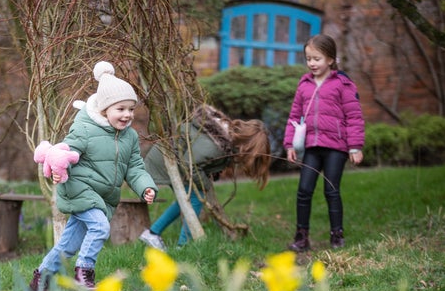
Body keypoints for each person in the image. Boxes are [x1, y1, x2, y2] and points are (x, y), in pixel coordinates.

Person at [29, 61, 157, 291]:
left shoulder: (129, 137)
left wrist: (145, 186)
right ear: (104, 109)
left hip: (102, 196)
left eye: (131, 109)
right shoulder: (86, 129)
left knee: (67, 246)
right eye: (120, 109)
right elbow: (67, 150)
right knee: (99, 227)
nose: (127, 114)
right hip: (80, 189)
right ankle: (83, 272)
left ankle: (40, 282)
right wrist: (59, 166)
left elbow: (135, 167)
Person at [139, 105, 271, 250]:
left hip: (171, 159)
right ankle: (183, 245)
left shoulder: (223, 138)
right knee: (195, 198)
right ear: (245, 147)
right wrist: (205, 183)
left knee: (186, 201)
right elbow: (189, 163)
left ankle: (153, 233)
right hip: (168, 161)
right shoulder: (215, 145)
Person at [284, 34, 364, 251]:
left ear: (330, 59)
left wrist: (355, 147)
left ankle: (337, 235)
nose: (311, 63)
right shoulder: (304, 84)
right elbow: (294, 115)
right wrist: (290, 144)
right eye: (308, 59)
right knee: (304, 190)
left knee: (331, 190)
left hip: (336, 148)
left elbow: (354, 116)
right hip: (312, 147)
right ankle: (302, 237)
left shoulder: (343, 84)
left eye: (316, 59)